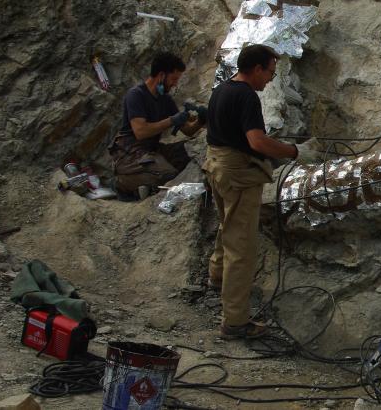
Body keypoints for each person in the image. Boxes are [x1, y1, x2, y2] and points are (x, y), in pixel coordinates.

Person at [203, 44, 318, 339]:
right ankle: (235, 321)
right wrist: (294, 151)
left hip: (216, 165)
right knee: (241, 247)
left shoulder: (223, 89)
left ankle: (217, 277)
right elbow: (256, 141)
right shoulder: (246, 97)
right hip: (237, 173)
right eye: (269, 72)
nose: (270, 78)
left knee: (226, 224)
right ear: (256, 69)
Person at [109, 52, 205, 198]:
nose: (175, 84)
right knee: (167, 174)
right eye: (173, 79)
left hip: (152, 150)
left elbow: (187, 130)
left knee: (189, 151)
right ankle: (123, 182)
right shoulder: (136, 95)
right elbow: (140, 131)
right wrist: (172, 120)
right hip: (130, 153)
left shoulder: (165, 99)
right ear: (161, 75)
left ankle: (146, 182)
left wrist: (201, 120)